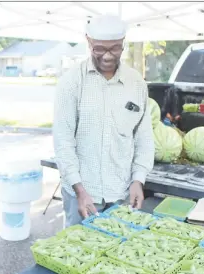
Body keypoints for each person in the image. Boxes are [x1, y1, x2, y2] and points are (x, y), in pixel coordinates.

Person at [53, 15, 155, 228]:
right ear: (88, 42)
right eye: (99, 49)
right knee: (77, 253)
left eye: (115, 48)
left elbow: (143, 138)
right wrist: (79, 190)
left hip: (121, 192)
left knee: (118, 254)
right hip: (81, 193)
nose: (108, 56)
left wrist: (139, 180)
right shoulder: (71, 82)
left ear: (123, 43)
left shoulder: (136, 83)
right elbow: (63, 141)